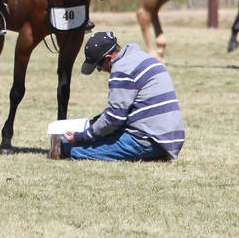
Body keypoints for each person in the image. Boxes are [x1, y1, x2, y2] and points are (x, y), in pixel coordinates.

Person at [59, 31, 185, 161]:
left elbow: (114, 118)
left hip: (149, 140)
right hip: (169, 139)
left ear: (108, 58)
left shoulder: (122, 70)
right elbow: (124, 111)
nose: (99, 70)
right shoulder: (142, 58)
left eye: (98, 65)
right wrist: (95, 122)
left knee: (74, 150)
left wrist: (81, 137)